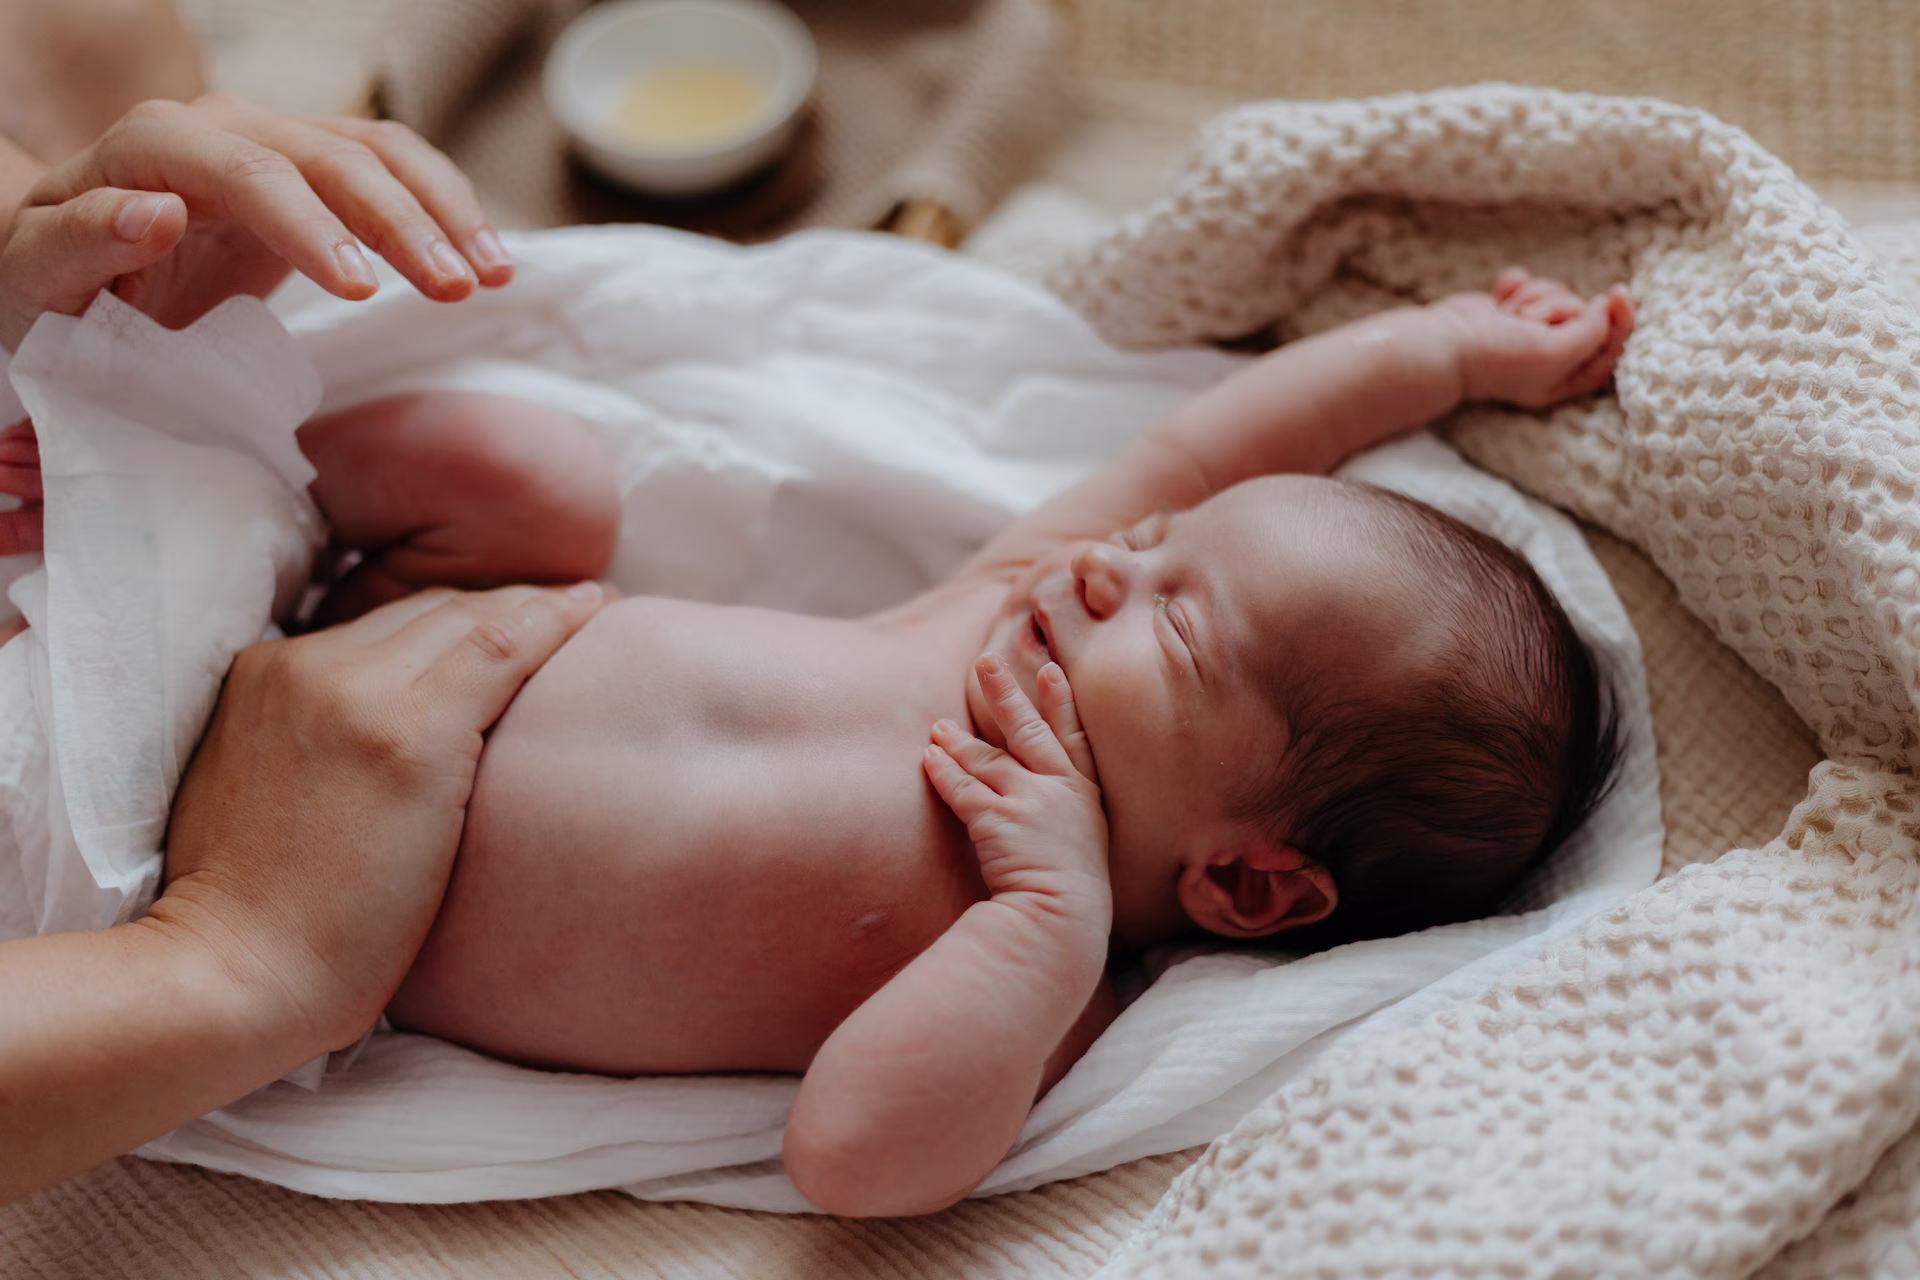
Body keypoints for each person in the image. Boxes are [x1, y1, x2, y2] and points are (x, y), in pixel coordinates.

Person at [0, 258, 1625, 1213]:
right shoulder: (988, 621)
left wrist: (1044, 923)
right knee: (533, 472)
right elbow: (1203, 446)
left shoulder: (1030, 979)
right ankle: (162, 496)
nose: (1109, 564)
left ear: (1250, 886)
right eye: (1154, 550)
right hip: (334, 633)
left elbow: (854, 1162)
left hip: (214, 872)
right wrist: (1443, 354)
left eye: (1174, 622)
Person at [0, 62, 611, 1204]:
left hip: (211, 601)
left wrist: (106, 356)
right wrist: (228, 958)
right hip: (127, 915)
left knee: (538, 478)